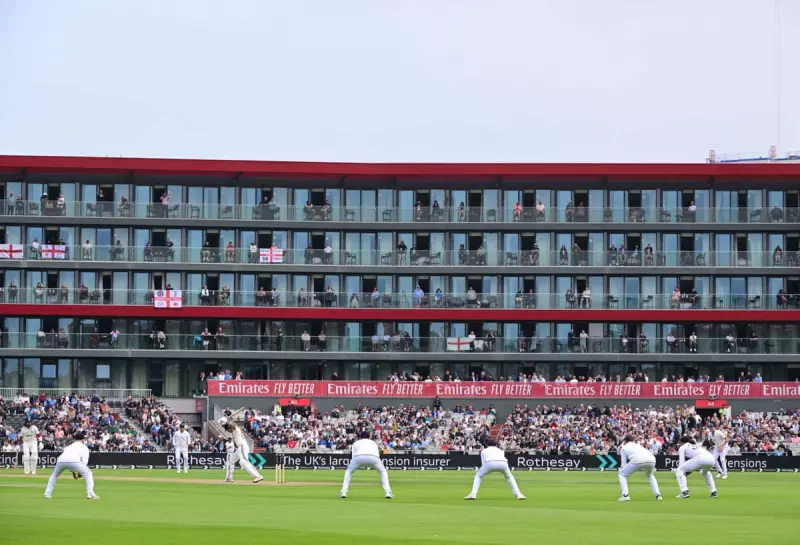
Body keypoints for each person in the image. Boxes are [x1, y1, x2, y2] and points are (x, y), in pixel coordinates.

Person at [339, 431, 394, 499]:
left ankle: (343, 492)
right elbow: (377, 454)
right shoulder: (373, 443)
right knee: (383, 471)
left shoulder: (356, 443)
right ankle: (388, 492)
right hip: (374, 457)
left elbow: (353, 456)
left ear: (360, 436)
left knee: (348, 471)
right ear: (369, 436)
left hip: (359, 457)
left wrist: (355, 465)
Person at [44, 431, 99, 500]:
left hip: (61, 460)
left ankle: (47, 494)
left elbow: (67, 460)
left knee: (54, 475)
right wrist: (79, 473)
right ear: (83, 439)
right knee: (88, 473)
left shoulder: (69, 446)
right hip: (74, 461)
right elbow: (84, 462)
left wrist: (73, 471)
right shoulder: (84, 448)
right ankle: (90, 494)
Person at [617, 434, 662, 502]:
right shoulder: (638, 445)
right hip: (652, 459)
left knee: (622, 474)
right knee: (650, 475)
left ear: (625, 441)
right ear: (633, 440)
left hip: (637, 460)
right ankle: (658, 495)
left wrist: (624, 469)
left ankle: (625, 495)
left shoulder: (624, 448)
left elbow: (623, 464)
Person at [218, 417, 264, 483]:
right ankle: (229, 477)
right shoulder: (233, 432)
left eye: (227, 429)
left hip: (242, 447)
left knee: (243, 462)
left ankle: (257, 476)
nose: (227, 430)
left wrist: (226, 422)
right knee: (230, 461)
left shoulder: (235, 429)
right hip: (239, 449)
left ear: (229, 426)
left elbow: (232, 426)